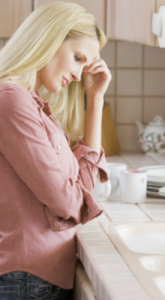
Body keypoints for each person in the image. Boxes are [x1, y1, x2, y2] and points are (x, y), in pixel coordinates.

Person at [0, 2, 111, 299]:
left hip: (36, 279)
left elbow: (83, 188)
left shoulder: (31, 103)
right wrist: (75, 198)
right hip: (26, 280)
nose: (78, 74)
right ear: (50, 38)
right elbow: (67, 201)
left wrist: (95, 100)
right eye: (77, 58)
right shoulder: (11, 100)